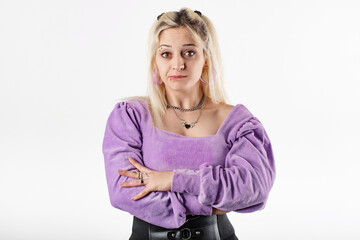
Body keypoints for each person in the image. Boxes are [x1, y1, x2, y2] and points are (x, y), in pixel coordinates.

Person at [102, 7, 276, 240]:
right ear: (155, 60)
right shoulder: (130, 116)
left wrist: (171, 180)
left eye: (189, 53)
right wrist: (213, 204)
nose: (177, 64)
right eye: (166, 54)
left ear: (206, 58)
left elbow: (253, 187)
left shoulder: (237, 122)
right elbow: (123, 192)